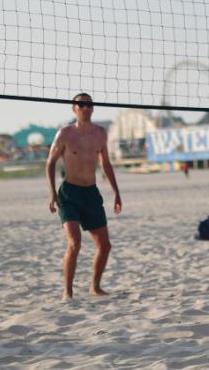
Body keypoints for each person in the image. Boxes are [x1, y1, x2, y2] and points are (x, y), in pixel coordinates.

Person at [45, 93, 122, 300]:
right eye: (81, 104)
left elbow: (105, 164)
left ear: (93, 108)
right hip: (69, 193)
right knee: (74, 243)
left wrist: (116, 192)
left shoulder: (100, 134)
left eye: (89, 104)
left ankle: (94, 287)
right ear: (74, 108)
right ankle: (67, 291)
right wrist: (52, 193)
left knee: (105, 245)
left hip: (91, 193)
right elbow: (50, 163)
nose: (85, 107)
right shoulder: (65, 134)